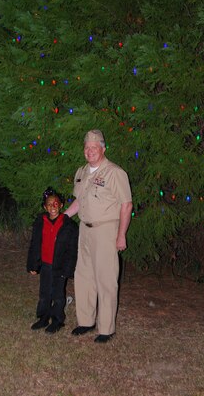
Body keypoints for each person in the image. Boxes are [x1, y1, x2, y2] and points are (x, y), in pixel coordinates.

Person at [64, 129, 133, 343]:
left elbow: (126, 205)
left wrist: (121, 235)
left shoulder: (115, 173)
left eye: (94, 147)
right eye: (87, 147)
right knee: (83, 275)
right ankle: (86, 321)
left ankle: (106, 328)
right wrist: (62, 218)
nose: (90, 151)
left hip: (105, 230)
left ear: (103, 148)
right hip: (84, 228)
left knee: (106, 279)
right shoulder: (82, 172)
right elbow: (79, 202)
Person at [27, 187, 79, 334]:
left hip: (60, 266)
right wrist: (33, 264)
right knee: (44, 294)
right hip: (45, 265)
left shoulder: (69, 226)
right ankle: (43, 317)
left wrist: (68, 270)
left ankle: (57, 320)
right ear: (45, 207)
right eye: (49, 204)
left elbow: (72, 251)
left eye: (56, 204)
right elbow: (35, 244)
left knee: (57, 295)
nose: (53, 207)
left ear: (61, 205)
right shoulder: (40, 222)